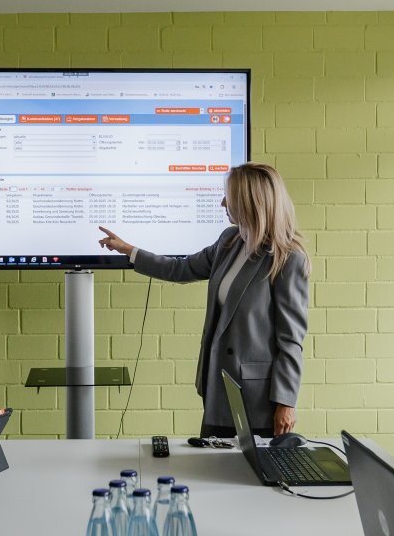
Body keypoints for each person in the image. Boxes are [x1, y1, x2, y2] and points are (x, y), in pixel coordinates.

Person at [96, 162, 309, 438]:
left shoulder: (287, 258)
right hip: (219, 388)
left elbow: (291, 339)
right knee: (211, 468)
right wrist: (129, 250)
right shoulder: (230, 241)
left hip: (259, 400)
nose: (223, 202)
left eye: (228, 197)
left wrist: (286, 402)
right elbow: (181, 269)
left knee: (250, 477)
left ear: (248, 202)